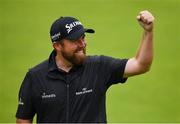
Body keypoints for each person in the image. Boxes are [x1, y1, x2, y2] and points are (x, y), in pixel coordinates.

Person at [16, 10, 154, 123]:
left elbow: (141, 65)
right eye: (75, 41)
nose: (83, 44)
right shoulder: (35, 77)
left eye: (83, 37)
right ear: (57, 46)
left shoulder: (99, 67)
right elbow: (23, 119)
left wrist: (148, 32)